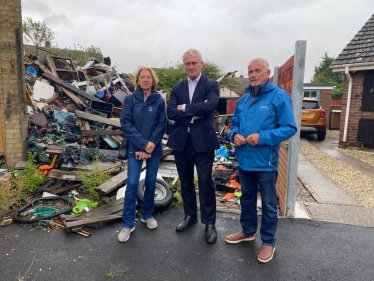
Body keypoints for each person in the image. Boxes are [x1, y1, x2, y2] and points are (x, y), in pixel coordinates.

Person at [225, 58, 297, 263]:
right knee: (246, 198)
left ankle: (268, 241)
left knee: (267, 203)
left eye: (257, 71)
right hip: (245, 159)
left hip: (266, 162)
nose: (253, 75)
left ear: (267, 73)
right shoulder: (244, 99)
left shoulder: (279, 97)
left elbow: (290, 128)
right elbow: (235, 125)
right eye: (250, 72)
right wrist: (234, 135)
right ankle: (248, 231)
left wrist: (263, 137)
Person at [167, 49, 220, 244]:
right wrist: (193, 112)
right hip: (182, 142)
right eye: (187, 64)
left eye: (194, 63)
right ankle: (190, 216)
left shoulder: (211, 85)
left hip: (203, 143)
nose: (191, 66)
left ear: (201, 64)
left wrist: (184, 108)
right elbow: (171, 112)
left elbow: (210, 107)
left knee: (205, 182)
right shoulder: (177, 87)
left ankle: (209, 223)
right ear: (184, 65)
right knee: (185, 181)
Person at [118, 66, 167, 242]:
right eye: (142, 77)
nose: (146, 80)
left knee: (151, 181)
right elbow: (126, 124)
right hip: (135, 148)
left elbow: (162, 125)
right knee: (132, 184)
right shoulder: (130, 100)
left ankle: (147, 214)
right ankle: (128, 224)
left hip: (153, 148)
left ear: (153, 81)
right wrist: (143, 144)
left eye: (149, 77)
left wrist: (150, 146)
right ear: (138, 80)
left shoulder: (159, 101)